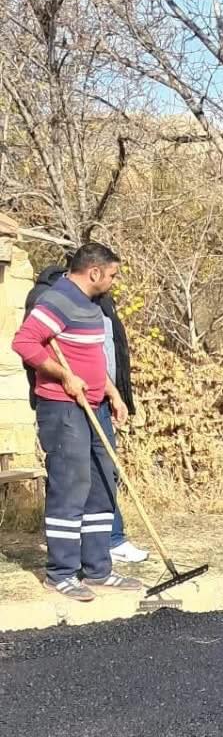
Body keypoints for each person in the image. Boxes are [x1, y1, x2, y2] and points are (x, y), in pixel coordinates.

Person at [11, 242, 144, 601]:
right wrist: (63, 376)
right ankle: (61, 573)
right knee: (71, 487)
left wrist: (113, 393)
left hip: (96, 403)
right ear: (95, 272)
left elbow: (92, 360)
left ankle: (98, 568)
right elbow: (24, 343)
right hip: (64, 407)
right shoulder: (57, 300)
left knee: (103, 482)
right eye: (112, 275)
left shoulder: (90, 305)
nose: (114, 281)